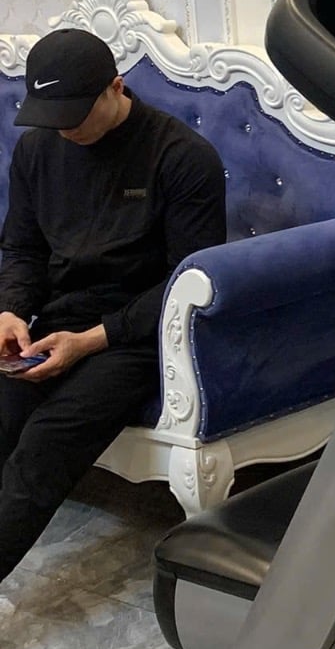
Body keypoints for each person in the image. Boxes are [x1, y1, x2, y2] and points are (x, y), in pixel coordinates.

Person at [0, 28, 226, 586]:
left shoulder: (181, 157)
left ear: (116, 88)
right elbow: (23, 249)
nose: (63, 130)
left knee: (46, 443)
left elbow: (185, 283)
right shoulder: (37, 149)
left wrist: (90, 341)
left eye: (74, 116)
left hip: (143, 336)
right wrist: (11, 312)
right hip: (58, 321)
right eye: (51, 117)